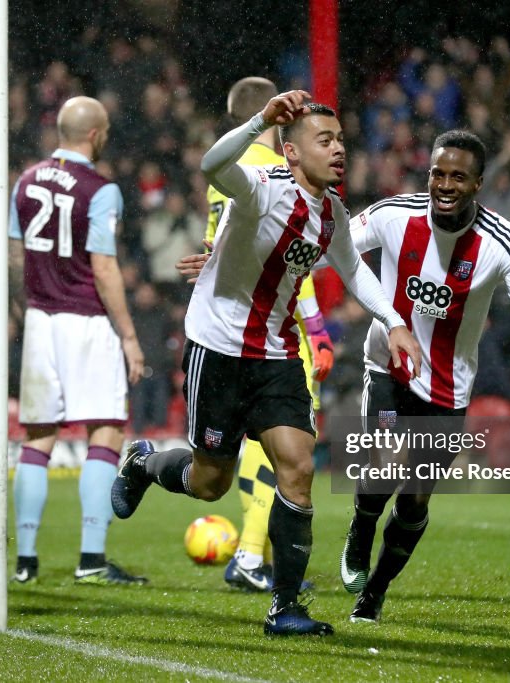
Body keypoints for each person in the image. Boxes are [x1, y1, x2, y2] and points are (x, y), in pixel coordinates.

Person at [112, 90, 419, 636]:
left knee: (298, 467)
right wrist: (260, 118)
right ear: (291, 152)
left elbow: (354, 272)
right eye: (324, 140)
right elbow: (212, 164)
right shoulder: (260, 189)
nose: (339, 149)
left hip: (276, 353)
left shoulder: (332, 213)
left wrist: (394, 322)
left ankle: (285, 608)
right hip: (219, 350)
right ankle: (142, 463)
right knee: (209, 483)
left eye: (342, 140)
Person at [336, 130, 510, 624]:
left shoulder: (503, 241)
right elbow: (330, 247)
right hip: (388, 365)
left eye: (458, 177)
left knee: (416, 494)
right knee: (383, 462)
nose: (445, 184)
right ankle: (360, 529)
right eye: (437, 174)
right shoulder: (392, 214)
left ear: (478, 184)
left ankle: (375, 593)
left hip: (448, 387)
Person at [8, 96, 146, 586]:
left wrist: (21, 306)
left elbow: (12, 254)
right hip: (87, 320)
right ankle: (91, 557)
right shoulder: (101, 189)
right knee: (106, 429)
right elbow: (105, 268)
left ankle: (25, 560)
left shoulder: (25, 181)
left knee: (38, 438)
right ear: (95, 134)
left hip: (42, 320)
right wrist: (129, 336)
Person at [205, 77, 332, 593]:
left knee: (248, 444)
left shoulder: (225, 174)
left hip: (231, 324)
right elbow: (283, 261)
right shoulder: (274, 170)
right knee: (284, 443)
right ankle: (252, 556)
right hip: (280, 327)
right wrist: (318, 327)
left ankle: (254, 553)